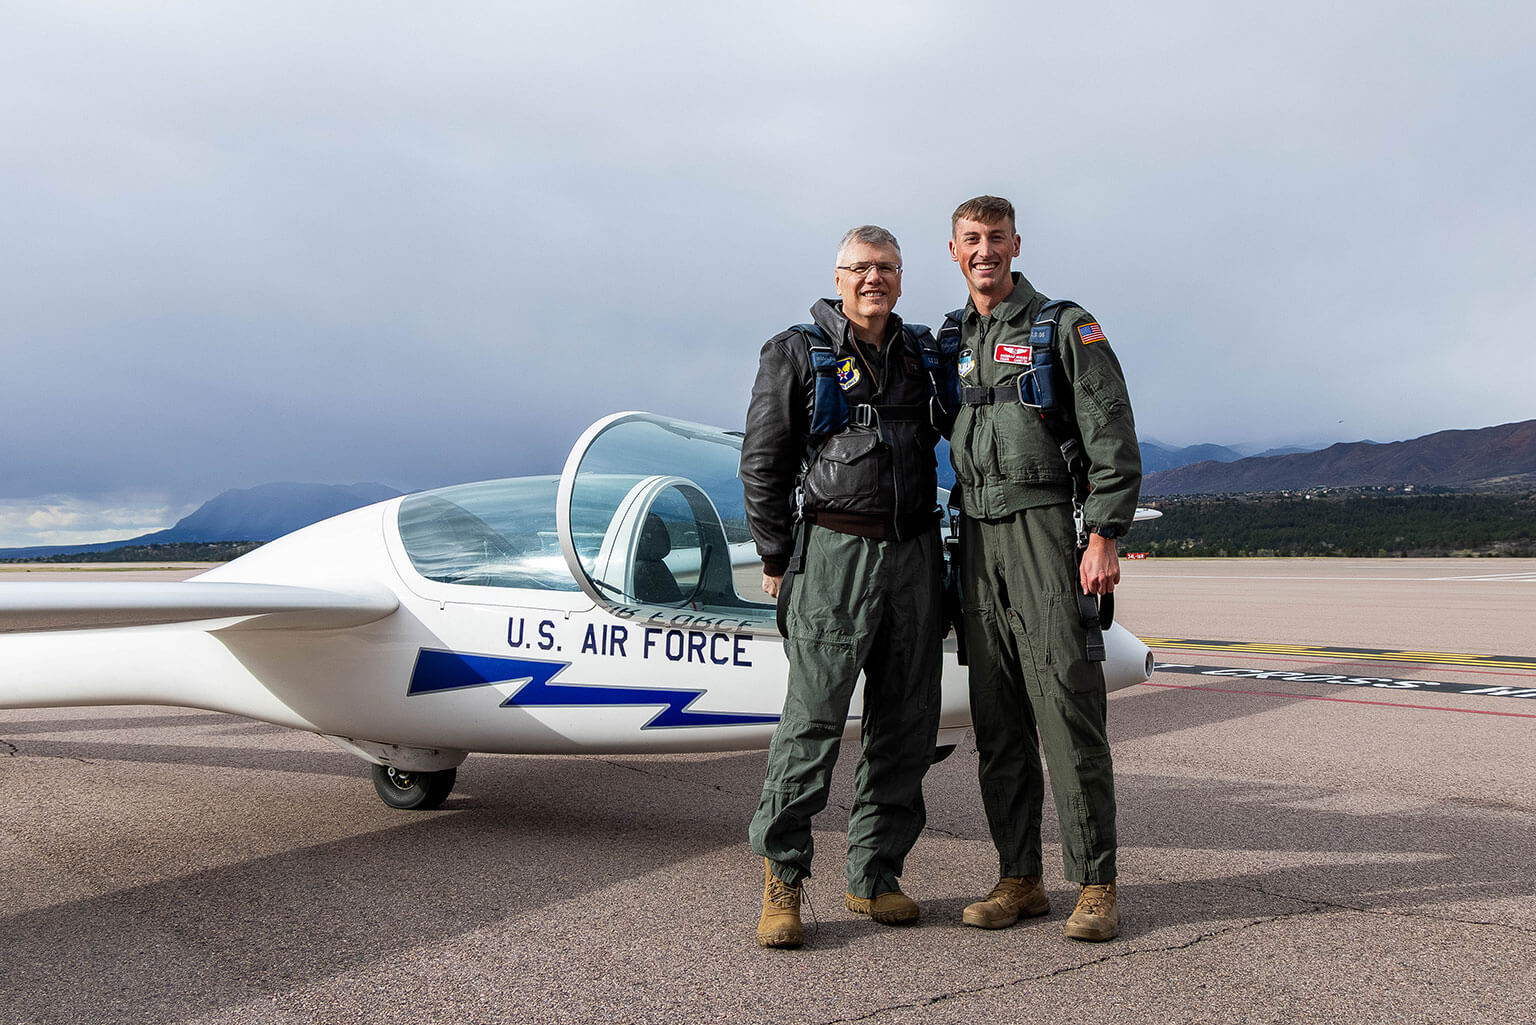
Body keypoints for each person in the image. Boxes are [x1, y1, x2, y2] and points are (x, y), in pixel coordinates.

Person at [740, 225, 948, 949]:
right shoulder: (797, 352)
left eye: (886, 268)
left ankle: (875, 874)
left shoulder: (922, 353)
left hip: (916, 554)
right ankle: (784, 878)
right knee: (813, 723)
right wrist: (775, 554)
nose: (874, 280)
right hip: (835, 554)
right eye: (861, 268)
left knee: (907, 724)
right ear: (838, 275)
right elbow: (762, 461)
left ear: (901, 276)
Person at [944, 195, 1141, 942]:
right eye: (972, 239)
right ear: (954, 249)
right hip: (975, 537)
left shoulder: (1062, 326)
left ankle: (1095, 883)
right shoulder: (952, 338)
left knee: (1066, 709)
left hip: (1046, 530)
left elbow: (1110, 430)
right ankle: (1019, 877)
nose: (985, 250)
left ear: (1016, 243)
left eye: (996, 237)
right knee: (997, 723)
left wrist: (1105, 534)